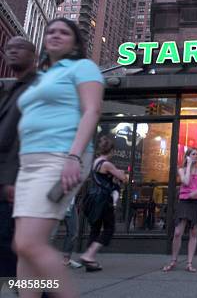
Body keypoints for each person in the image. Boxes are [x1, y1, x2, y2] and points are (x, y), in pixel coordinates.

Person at [12, 17, 104, 298]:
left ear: (75, 42)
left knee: (29, 244)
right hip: (29, 165)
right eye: (51, 31)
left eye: (64, 32)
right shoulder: (42, 76)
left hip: (60, 159)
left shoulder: (83, 68)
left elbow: (92, 111)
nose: (55, 35)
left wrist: (73, 157)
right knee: (24, 249)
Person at [0, 37, 37, 283]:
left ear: (34, 55)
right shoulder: (11, 89)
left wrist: (15, 178)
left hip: (16, 186)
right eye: (8, 48)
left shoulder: (38, 87)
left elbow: (32, 136)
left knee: (12, 252)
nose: (12, 52)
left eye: (19, 48)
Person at [80, 136, 126, 271]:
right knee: (109, 228)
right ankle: (89, 255)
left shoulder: (95, 162)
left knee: (95, 229)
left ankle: (89, 262)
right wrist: (120, 173)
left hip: (94, 198)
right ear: (111, 150)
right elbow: (123, 178)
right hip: (104, 199)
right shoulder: (106, 164)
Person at [163, 147, 197, 273]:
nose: (196, 156)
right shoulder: (182, 170)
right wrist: (188, 165)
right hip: (184, 202)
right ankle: (173, 260)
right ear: (188, 156)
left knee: (194, 233)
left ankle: (189, 263)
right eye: (193, 154)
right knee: (178, 232)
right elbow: (186, 181)